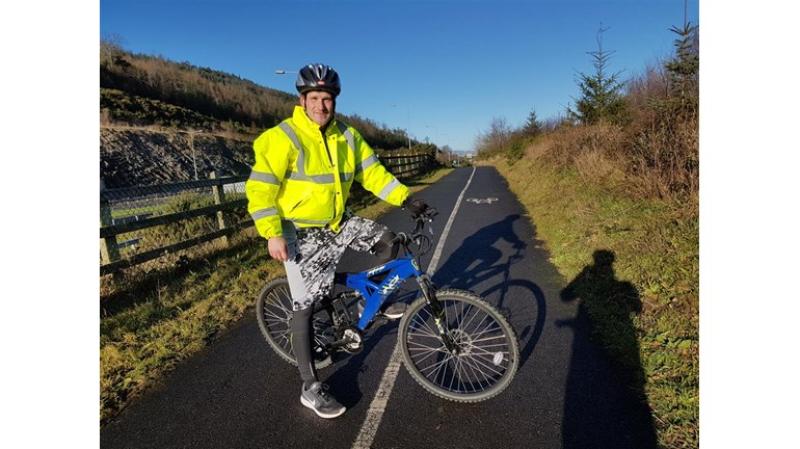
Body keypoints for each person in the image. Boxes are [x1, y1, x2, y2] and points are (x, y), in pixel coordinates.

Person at [245, 63, 429, 419]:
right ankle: (310, 387)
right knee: (306, 304)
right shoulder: (281, 137)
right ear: (302, 99)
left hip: (337, 223)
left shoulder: (347, 136)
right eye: (314, 98)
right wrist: (272, 232)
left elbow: (373, 173)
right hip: (299, 231)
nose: (321, 105)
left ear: (334, 101)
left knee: (389, 239)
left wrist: (407, 198)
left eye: (326, 98)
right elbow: (260, 189)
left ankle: (368, 303)